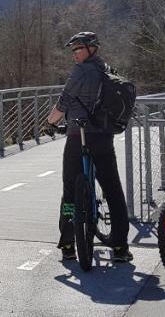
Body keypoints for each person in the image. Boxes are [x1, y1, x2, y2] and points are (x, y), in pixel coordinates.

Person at [44, 31, 132, 264]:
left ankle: (68, 244)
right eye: (73, 50)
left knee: (70, 189)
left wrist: (50, 123)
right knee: (112, 190)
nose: (74, 54)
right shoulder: (108, 70)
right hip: (103, 137)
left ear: (92, 48)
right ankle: (121, 247)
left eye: (78, 49)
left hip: (78, 136)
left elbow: (63, 102)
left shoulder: (80, 72)